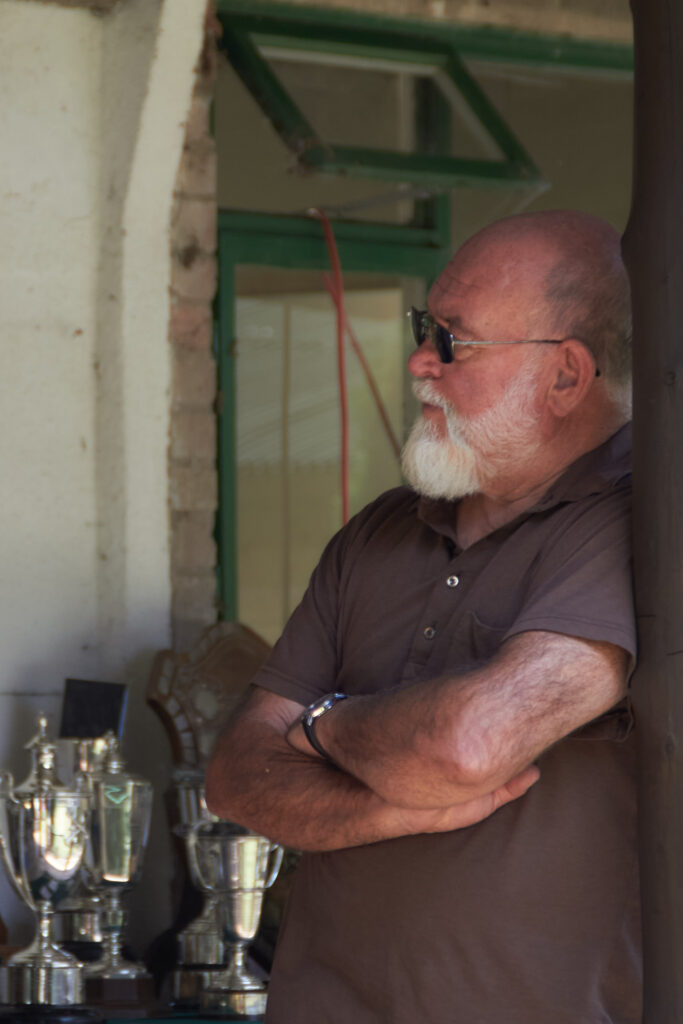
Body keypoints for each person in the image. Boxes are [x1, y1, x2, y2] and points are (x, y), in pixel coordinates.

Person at [205, 209, 639, 1024]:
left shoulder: (640, 523)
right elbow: (233, 777)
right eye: (423, 327)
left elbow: (468, 748)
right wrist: (385, 807)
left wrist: (322, 729)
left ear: (565, 378)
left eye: (453, 339)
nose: (418, 362)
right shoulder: (379, 531)